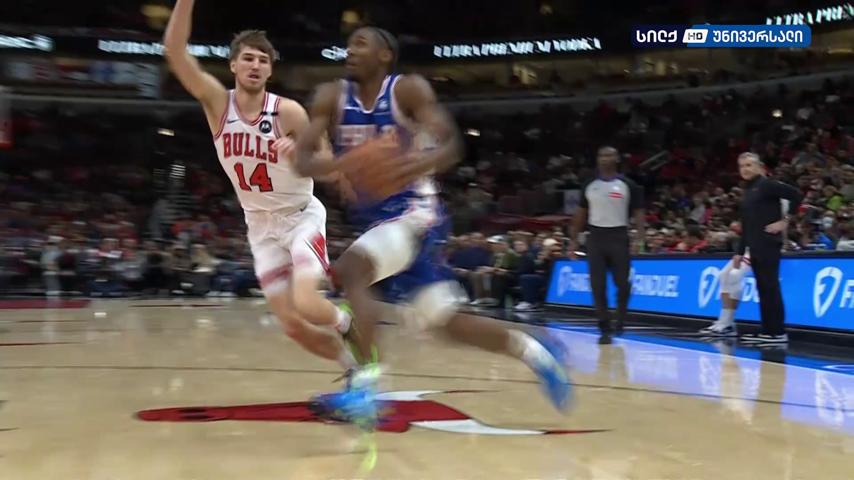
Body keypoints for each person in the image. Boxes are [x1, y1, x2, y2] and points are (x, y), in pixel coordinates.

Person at [295, 26, 571, 428]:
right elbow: (302, 160)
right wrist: (342, 165)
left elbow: (451, 146)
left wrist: (410, 165)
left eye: (361, 44)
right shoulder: (330, 96)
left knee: (353, 270)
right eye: (349, 44)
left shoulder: (407, 90)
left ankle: (364, 390)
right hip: (377, 222)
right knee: (447, 324)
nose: (350, 50)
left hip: (414, 213)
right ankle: (538, 351)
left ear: (385, 55)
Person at [163, 0, 359, 383]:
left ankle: (351, 326)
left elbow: (330, 166)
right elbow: (174, 51)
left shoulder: (288, 112)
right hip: (260, 228)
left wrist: (300, 154)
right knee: (292, 325)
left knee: (307, 303)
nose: (255, 65)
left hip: (300, 218)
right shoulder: (218, 104)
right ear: (233, 65)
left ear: (270, 70)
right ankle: (353, 368)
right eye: (248, 58)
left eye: (263, 60)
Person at [568, 147, 645, 342]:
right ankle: (603, 323)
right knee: (597, 284)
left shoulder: (628, 185)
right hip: (595, 236)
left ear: (617, 158)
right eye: (602, 155)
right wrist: (573, 240)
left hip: (619, 235)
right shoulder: (589, 185)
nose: (605, 159)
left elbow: (639, 213)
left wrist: (639, 238)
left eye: (609, 155)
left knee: (622, 283)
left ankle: (620, 319)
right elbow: (580, 214)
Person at [733, 153, 801, 344]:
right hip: (754, 245)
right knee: (762, 288)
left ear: (759, 166)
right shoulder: (748, 190)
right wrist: (739, 251)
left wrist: (784, 221)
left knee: (770, 287)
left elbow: (796, 195)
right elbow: (746, 224)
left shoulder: (767, 184)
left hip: (768, 244)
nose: (745, 169)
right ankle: (767, 329)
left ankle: (777, 332)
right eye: (742, 166)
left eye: (749, 165)